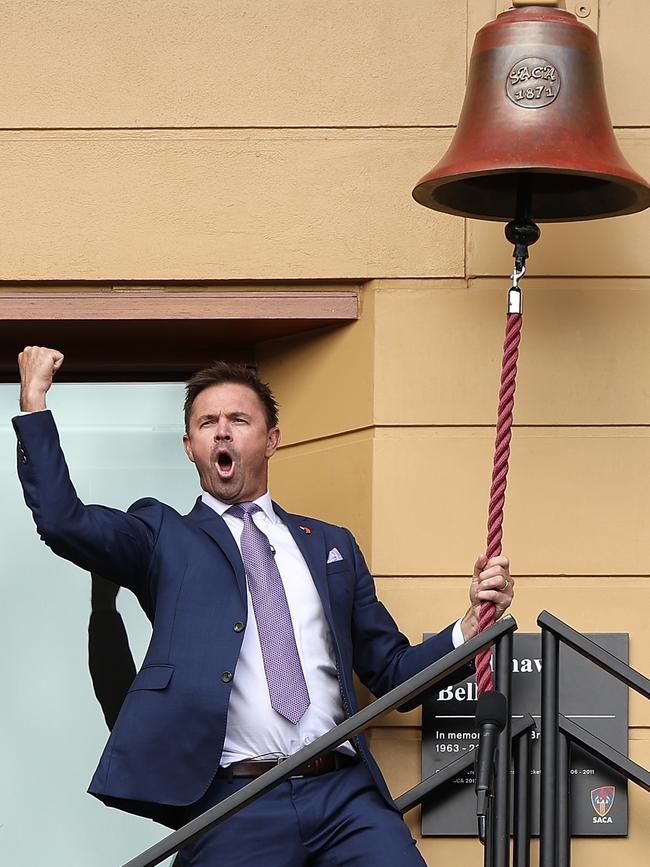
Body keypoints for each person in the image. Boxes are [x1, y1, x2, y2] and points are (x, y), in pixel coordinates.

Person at [14, 345, 514, 866]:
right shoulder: (163, 537)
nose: (222, 431)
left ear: (272, 439)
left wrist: (470, 625)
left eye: (238, 419)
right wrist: (34, 403)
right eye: (207, 423)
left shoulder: (328, 545)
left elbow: (392, 672)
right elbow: (62, 522)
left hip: (346, 795)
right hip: (236, 802)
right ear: (190, 446)